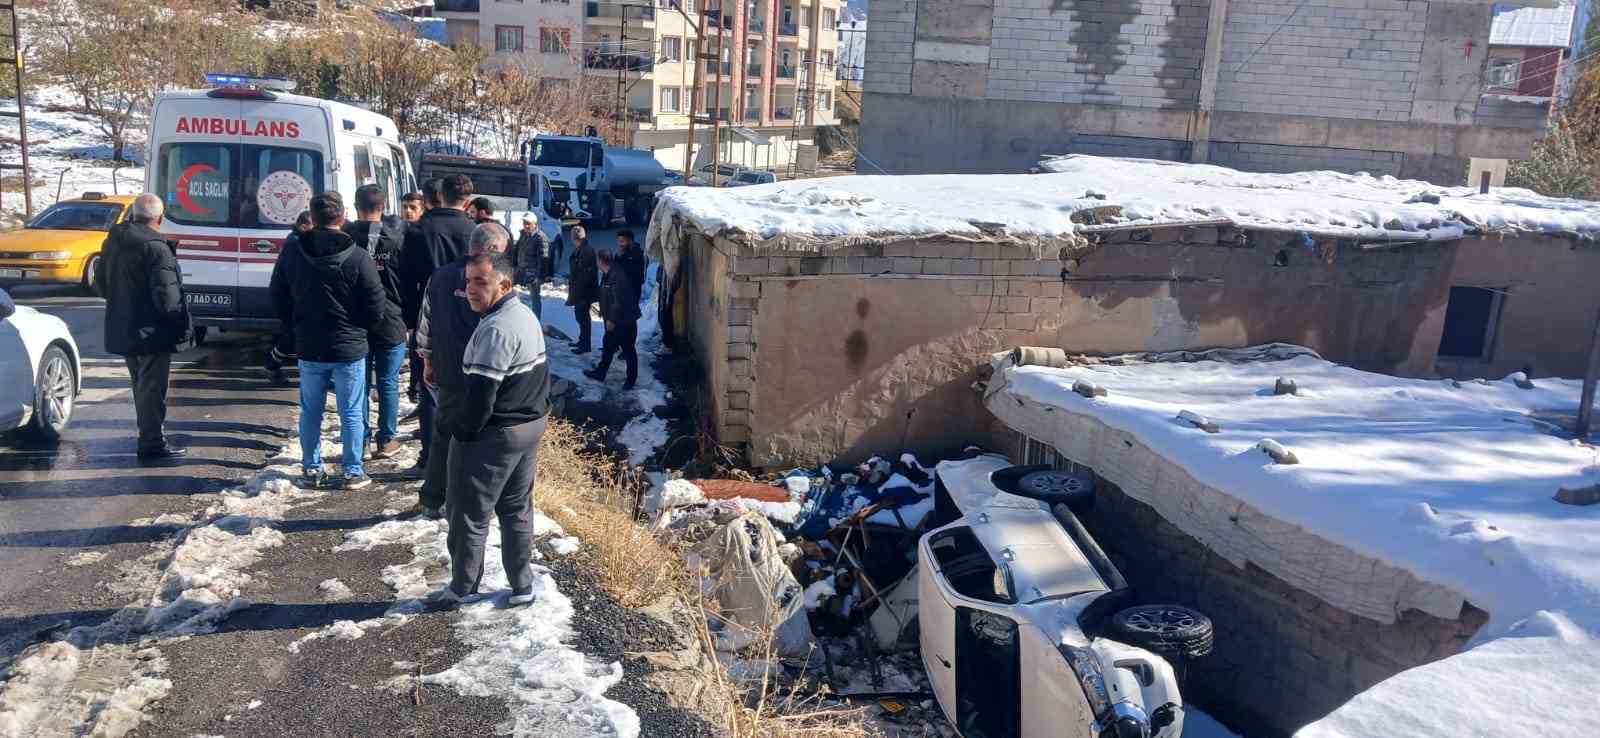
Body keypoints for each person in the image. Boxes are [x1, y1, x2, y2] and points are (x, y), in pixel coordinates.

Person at [429, 250, 549, 607]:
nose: (470, 289)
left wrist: (458, 432)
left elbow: (480, 400)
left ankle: (462, 589)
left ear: (505, 284)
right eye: (467, 282)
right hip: (529, 425)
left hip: (498, 433)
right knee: (515, 510)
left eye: (480, 282)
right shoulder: (523, 314)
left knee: (468, 513)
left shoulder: (496, 329)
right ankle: (522, 587)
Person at [270, 191, 386, 490]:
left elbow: (278, 294)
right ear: (343, 217)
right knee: (350, 410)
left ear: (313, 216)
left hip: (309, 343)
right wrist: (361, 329)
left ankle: (311, 468)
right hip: (349, 345)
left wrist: (294, 326)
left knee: (311, 409)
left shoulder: (293, 252)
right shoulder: (359, 256)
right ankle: (352, 469)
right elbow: (375, 304)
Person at [412, 223, 510, 520]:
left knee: (444, 435)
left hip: (448, 368)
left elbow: (425, 323)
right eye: (503, 252)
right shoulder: (493, 280)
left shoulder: (440, 276)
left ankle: (431, 500)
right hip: (485, 371)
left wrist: (427, 361)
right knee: (486, 438)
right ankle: (478, 504)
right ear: (492, 249)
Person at [99, 193, 192, 461]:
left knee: (141, 387)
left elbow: (101, 285)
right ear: (160, 218)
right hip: (153, 331)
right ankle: (151, 444)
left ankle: (149, 437)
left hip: (125, 326)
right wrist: (179, 327)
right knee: (152, 390)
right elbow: (167, 298)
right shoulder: (156, 247)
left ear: (132, 214)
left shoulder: (113, 241)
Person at [400, 174, 477, 481]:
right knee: (469, 385)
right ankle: (464, 455)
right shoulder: (474, 231)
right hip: (469, 314)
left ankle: (430, 456)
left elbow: (406, 278)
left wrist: (409, 319)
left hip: (427, 315)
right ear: (467, 201)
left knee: (430, 386)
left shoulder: (419, 230)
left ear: (440, 196)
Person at [345, 184, 408, 460]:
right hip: (391, 317)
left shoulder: (346, 238)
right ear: (383, 207)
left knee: (359, 384)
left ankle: (360, 442)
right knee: (388, 382)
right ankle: (387, 440)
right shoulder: (398, 237)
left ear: (356, 206)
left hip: (355, 319)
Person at [264, 211, 314, 386]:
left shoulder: (296, 240)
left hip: (288, 296)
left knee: (292, 335)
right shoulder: (295, 243)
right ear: (303, 226)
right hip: (287, 298)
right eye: (312, 226)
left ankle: (273, 365)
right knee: (292, 335)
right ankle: (272, 365)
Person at [584, 249, 640, 390]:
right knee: (608, 347)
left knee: (629, 350)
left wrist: (612, 320)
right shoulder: (608, 274)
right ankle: (600, 373)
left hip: (625, 321)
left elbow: (618, 301)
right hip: (615, 320)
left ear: (601, 261)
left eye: (597, 260)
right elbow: (605, 294)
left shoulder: (617, 276)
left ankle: (631, 380)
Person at [565, 225, 599, 354]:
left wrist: (577, 293)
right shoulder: (582, 249)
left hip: (584, 292)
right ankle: (582, 341)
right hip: (581, 291)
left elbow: (585, 276)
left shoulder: (586, 251)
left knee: (583, 318)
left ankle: (585, 345)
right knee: (580, 317)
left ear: (575, 238)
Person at [512, 216, 547, 319]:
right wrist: (514, 265)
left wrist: (539, 276)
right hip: (521, 270)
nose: (526, 226)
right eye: (524, 223)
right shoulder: (523, 234)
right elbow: (517, 250)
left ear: (535, 224)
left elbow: (543, 259)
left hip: (533, 274)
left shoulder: (540, 237)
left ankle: (536, 321)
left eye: (528, 223)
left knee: (535, 298)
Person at [615, 229, 647, 304]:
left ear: (630, 241)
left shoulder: (638, 254)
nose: (620, 244)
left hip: (632, 293)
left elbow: (634, 274)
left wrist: (621, 258)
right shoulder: (622, 253)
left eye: (622, 241)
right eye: (619, 241)